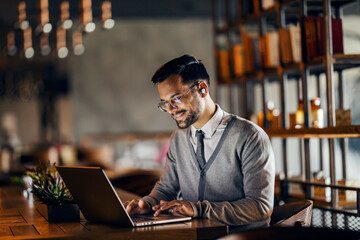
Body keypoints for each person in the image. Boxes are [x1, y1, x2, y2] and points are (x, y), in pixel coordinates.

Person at [124, 54, 275, 228]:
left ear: (202, 89)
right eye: (165, 103)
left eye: (176, 99)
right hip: (193, 235)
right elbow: (167, 189)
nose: (171, 110)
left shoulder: (250, 136)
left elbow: (260, 207)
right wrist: (147, 204)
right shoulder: (178, 137)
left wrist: (199, 209)